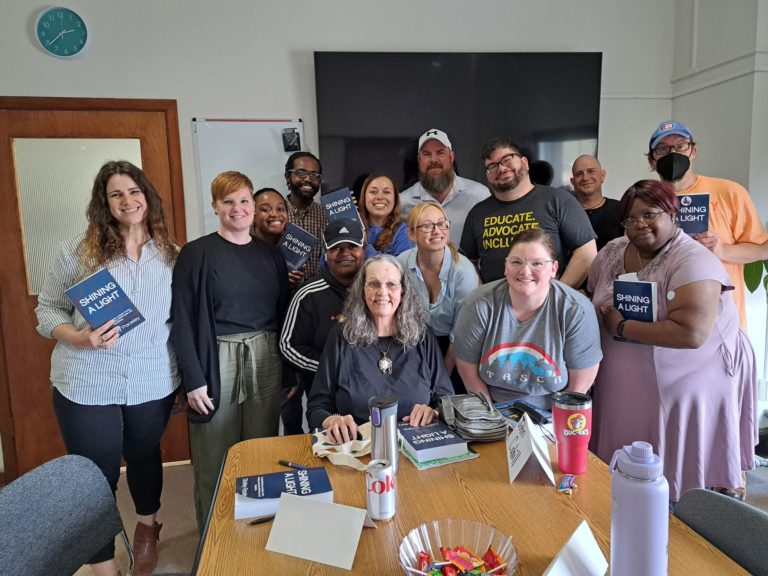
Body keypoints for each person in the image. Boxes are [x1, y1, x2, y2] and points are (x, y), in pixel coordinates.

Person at [35, 160, 180, 576]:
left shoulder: (173, 255)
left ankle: (147, 530)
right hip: (86, 380)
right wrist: (80, 337)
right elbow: (47, 308)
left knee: (144, 456)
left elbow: (181, 321)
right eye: (116, 194)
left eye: (134, 191)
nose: (127, 201)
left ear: (147, 197)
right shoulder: (76, 252)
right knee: (93, 477)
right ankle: (103, 565)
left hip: (152, 380)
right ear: (104, 203)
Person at [588, 179, 757, 503]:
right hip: (623, 388)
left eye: (649, 214)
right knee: (618, 481)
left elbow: (691, 332)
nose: (639, 225)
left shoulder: (693, 260)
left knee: (668, 484)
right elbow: (594, 291)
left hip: (685, 382)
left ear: (671, 214)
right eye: (630, 219)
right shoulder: (612, 251)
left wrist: (622, 327)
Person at [171, 171, 288, 532]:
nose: (237, 208)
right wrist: (193, 379)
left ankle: (254, 535)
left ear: (253, 206)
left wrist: (290, 373)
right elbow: (183, 320)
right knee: (214, 456)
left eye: (244, 201)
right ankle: (214, 538)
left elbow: (284, 316)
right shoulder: (196, 254)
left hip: (265, 358)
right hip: (215, 360)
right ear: (215, 207)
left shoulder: (271, 256)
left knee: (260, 452)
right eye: (228, 201)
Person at [306, 254, 454, 443]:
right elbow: (316, 407)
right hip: (355, 449)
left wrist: (433, 411)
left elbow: (446, 400)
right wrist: (331, 421)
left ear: (403, 292)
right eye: (374, 284)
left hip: (417, 445)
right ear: (362, 291)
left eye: (391, 284)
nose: (382, 292)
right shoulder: (341, 336)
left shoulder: (423, 335)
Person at [454, 228, 601, 408]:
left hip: (555, 410)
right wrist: (490, 417)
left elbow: (580, 383)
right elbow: (467, 370)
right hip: (492, 407)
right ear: (505, 267)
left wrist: (552, 425)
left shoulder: (577, 310)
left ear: (553, 269)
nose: (525, 271)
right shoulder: (477, 305)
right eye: (516, 262)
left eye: (537, 263)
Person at [646, 120, 768, 328]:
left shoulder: (730, 192)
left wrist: (722, 251)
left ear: (693, 151)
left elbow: (763, 249)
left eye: (681, 146)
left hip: (722, 321)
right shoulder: (646, 200)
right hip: (666, 318)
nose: (672, 153)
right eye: (663, 148)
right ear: (652, 160)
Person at [460, 138, 597, 286]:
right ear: (487, 175)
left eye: (507, 159)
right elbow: (467, 262)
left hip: (548, 304)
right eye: (492, 166)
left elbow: (587, 252)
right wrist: (482, 294)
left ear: (524, 162)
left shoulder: (558, 200)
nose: (501, 168)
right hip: (494, 306)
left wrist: (557, 296)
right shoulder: (477, 213)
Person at [279, 219, 366, 434]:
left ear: (364, 250)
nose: (345, 253)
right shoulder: (308, 293)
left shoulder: (376, 290)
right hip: (325, 400)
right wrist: (330, 369)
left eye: (352, 247)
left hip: (371, 393)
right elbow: (288, 346)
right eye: (336, 248)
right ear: (326, 254)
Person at [398, 202, 480, 394]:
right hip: (413, 344)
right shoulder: (401, 263)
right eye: (427, 226)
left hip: (456, 348)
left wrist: (441, 375)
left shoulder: (463, 270)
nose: (437, 231)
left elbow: (461, 334)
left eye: (442, 224)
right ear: (411, 234)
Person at [400, 129, 490, 245]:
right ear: (419, 160)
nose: (433, 160)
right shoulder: (403, 202)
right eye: (426, 154)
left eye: (440, 152)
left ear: (452, 157)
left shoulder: (480, 195)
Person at [284, 151, 328, 284]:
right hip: (278, 293)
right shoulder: (275, 214)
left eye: (315, 175)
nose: (308, 179)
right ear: (287, 176)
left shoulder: (328, 215)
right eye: (301, 173)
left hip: (318, 295)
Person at [251, 186, 304, 288]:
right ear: (253, 216)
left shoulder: (294, 244)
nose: (274, 214)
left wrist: (295, 282)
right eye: (265, 209)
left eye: (280, 209)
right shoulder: (241, 246)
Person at [571, 155, 623, 251]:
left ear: (602, 175)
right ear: (572, 182)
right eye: (579, 174)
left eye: (591, 171)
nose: (585, 178)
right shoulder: (565, 213)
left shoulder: (622, 209)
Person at [358, 172, 414, 257]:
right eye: (373, 192)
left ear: (395, 198)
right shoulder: (352, 226)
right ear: (364, 197)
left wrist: (365, 245)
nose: (380, 197)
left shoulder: (404, 231)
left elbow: (399, 268)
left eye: (386, 192)